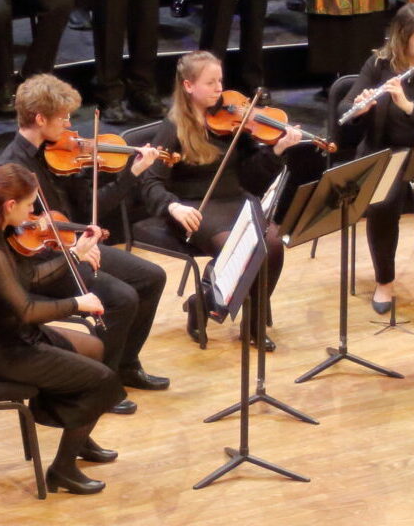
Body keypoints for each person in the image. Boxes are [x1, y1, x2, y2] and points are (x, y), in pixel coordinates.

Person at [0, 162, 125, 495]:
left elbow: (30, 277)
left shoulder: (1, 236)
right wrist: (79, 303)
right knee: (101, 380)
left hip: (14, 337)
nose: (34, 212)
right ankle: (63, 470)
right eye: (30, 204)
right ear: (9, 206)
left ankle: (79, 436)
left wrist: (74, 252)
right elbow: (28, 309)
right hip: (3, 351)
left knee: (95, 348)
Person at [0, 73, 169, 397]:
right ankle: (97, 383)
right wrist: (72, 249)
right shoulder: (10, 169)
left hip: (73, 245)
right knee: (122, 298)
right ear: (39, 118)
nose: (67, 124)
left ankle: (125, 366)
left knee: (151, 277)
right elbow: (17, 238)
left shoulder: (60, 154)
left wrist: (131, 173)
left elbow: (94, 207)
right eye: (62, 117)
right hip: (43, 261)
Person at [131, 51, 308, 345]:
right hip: (194, 208)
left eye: (220, 81)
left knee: (274, 243)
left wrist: (277, 151)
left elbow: (252, 178)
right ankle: (202, 305)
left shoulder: (231, 121)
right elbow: (150, 182)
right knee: (237, 249)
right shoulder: (173, 127)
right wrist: (172, 207)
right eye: (211, 82)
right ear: (188, 86)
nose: (219, 89)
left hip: (235, 199)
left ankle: (252, 323)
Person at [337, 3, 414, 315]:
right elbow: (344, 108)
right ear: (402, 39)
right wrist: (360, 108)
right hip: (385, 151)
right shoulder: (378, 65)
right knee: (381, 204)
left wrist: (407, 106)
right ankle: (384, 282)